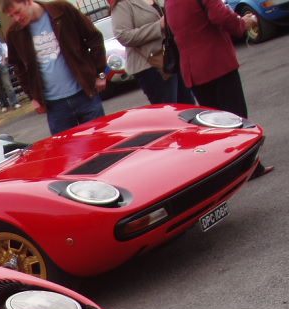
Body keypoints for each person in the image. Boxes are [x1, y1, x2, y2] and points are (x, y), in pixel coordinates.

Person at [165, 0, 272, 177]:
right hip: (216, 62)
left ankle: (230, 170)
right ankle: (249, 168)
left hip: (194, 70)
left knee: (215, 124)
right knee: (236, 119)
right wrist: (242, 23)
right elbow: (219, 14)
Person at [2, 0, 107, 134]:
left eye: (17, 12)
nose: (17, 18)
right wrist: (33, 96)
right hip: (55, 106)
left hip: (85, 94)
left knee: (101, 142)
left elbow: (94, 38)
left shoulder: (62, 11)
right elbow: (19, 67)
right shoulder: (14, 33)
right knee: (68, 151)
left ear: (27, 2)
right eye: (11, 16)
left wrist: (100, 73)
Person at [112, 0, 195, 106]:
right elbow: (123, 35)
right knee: (169, 111)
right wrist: (158, 26)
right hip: (150, 66)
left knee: (188, 106)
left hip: (171, 58)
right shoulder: (122, 4)